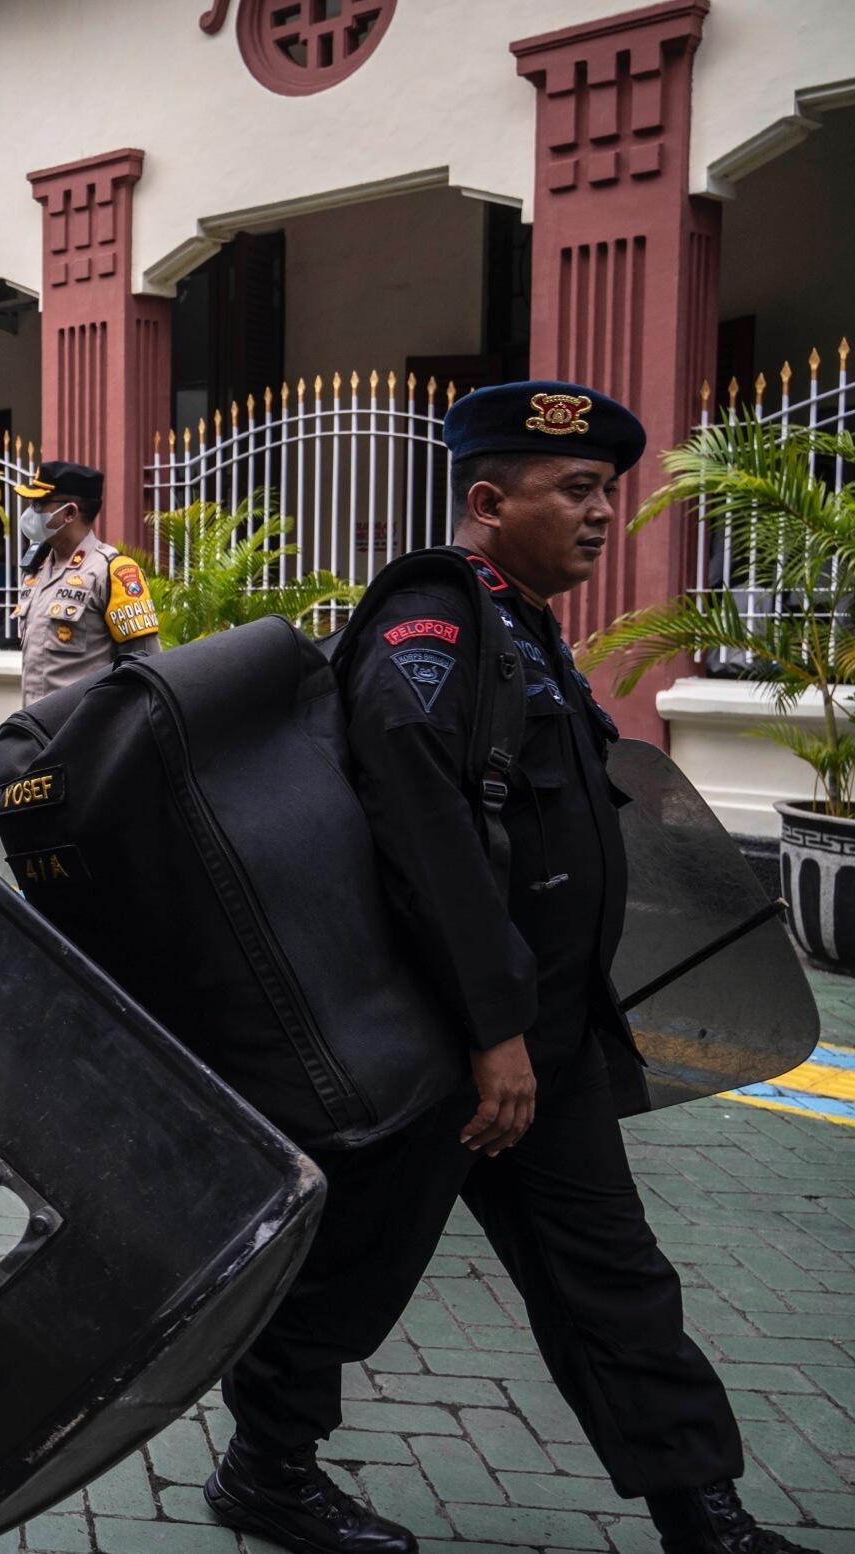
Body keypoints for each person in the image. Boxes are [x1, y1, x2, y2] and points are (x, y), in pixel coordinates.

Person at [204, 382, 814, 1554]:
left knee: (611, 1275)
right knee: (350, 1267)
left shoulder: (519, 630)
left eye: (605, 492)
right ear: (487, 500)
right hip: (440, 1039)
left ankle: (702, 1512)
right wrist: (491, 1035)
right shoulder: (428, 628)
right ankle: (265, 1470)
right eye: (574, 491)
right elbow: (424, 836)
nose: (599, 515)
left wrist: (539, 1028)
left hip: (543, 1034)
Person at [13, 461, 161, 705]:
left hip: (84, 733)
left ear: (69, 513)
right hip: (35, 733)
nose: (30, 513)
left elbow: (146, 666)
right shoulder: (35, 570)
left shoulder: (111, 571)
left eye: (39, 504)